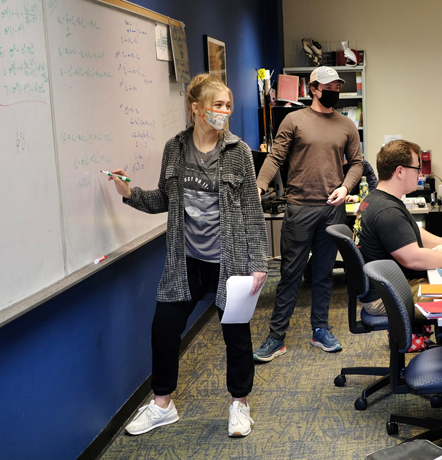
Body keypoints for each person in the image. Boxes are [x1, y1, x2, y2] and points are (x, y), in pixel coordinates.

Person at [109, 74, 267, 437]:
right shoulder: (175, 149)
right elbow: (165, 199)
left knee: (236, 336)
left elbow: (251, 211)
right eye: (217, 105)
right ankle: (163, 404)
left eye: (227, 105)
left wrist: (258, 263)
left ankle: (239, 405)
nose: (224, 111)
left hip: (230, 261)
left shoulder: (239, 152)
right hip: (186, 261)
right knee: (163, 330)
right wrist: (129, 192)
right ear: (196, 107)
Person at [253, 66, 363, 362]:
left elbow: (356, 163)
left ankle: (321, 329)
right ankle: (276, 336)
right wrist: (260, 186)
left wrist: (345, 186)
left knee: (324, 273)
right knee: (290, 275)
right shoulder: (294, 119)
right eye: (328, 86)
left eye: (337, 86)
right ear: (314, 88)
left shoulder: (346, 125)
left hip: (332, 209)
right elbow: (275, 156)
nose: (334, 91)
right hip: (299, 208)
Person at [356, 139, 442, 315]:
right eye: (417, 169)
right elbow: (414, 259)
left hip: (386, 287)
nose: (420, 175)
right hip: (388, 297)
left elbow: (409, 231)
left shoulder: (376, 198)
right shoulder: (387, 210)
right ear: (400, 171)